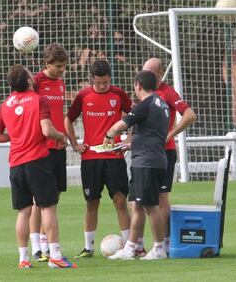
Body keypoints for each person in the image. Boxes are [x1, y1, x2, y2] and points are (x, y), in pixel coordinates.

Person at [0, 64, 77, 269]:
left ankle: (23, 258)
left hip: (16, 164)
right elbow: (47, 130)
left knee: (23, 212)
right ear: (29, 81)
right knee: (48, 208)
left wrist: (15, 136)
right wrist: (61, 136)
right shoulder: (39, 100)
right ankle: (55, 256)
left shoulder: (6, 104)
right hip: (37, 161)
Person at [64, 60, 132, 258]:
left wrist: (129, 137)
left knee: (120, 200)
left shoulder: (119, 94)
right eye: (98, 83)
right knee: (91, 202)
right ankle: (89, 247)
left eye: (105, 82)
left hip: (114, 156)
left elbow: (133, 116)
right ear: (92, 79)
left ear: (110, 77)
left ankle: (128, 246)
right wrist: (75, 144)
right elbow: (68, 119)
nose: (102, 86)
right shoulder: (83, 95)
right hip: (91, 158)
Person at [103, 70, 170, 260]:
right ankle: (130, 248)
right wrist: (129, 145)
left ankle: (159, 248)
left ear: (137, 86)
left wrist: (109, 135)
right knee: (136, 204)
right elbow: (152, 134)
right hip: (148, 158)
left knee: (150, 205)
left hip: (147, 161)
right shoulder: (161, 104)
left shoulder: (146, 104)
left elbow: (120, 125)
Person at [139, 58, 197, 255]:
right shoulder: (143, 91)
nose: (147, 76)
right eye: (145, 71)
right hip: (145, 153)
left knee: (161, 200)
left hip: (165, 152)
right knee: (141, 199)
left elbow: (189, 115)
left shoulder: (167, 92)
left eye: (152, 73)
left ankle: (165, 243)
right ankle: (138, 245)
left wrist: (170, 134)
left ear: (160, 73)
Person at [29, 44, 69, 263]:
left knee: (54, 198)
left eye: (64, 66)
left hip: (58, 147)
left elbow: (58, 114)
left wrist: (63, 136)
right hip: (41, 148)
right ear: (47, 64)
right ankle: (37, 246)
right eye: (58, 66)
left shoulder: (60, 84)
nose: (62, 70)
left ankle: (45, 242)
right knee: (39, 200)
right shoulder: (36, 83)